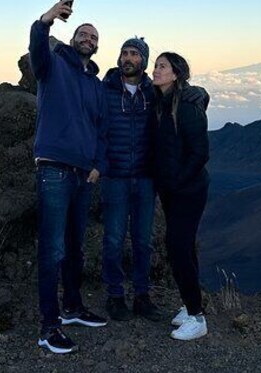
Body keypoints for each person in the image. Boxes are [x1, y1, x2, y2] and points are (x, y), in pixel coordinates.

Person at [29, 0, 108, 354]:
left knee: (75, 246)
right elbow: (36, 44)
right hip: (54, 170)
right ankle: (49, 326)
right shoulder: (52, 64)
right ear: (72, 38)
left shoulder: (95, 83)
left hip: (82, 175)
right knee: (53, 249)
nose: (88, 39)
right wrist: (45, 19)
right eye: (83, 34)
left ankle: (74, 307)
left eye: (93, 37)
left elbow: (101, 128)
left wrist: (97, 165)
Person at [100, 37, 163, 322]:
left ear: (144, 61)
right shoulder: (106, 90)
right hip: (115, 176)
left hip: (145, 177)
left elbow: (183, 92)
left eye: (134, 54)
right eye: (124, 53)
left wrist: (200, 94)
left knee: (142, 241)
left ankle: (142, 297)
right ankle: (115, 297)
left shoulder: (154, 92)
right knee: (113, 240)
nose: (127, 57)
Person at [151, 52, 211, 341]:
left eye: (162, 66)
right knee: (183, 247)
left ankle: (197, 318)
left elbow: (200, 152)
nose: (156, 70)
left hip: (189, 190)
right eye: (156, 66)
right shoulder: (159, 101)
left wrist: (177, 182)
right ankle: (190, 306)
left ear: (176, 74)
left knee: (177, 246)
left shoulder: (187, 106)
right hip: (171, 190)